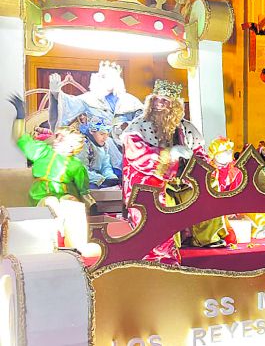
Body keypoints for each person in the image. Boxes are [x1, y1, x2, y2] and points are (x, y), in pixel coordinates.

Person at [122, 79, 206, 265]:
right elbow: (137, 155)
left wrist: (196, 164)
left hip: (182, 181)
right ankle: (160, 254)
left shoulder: (186, 128)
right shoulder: (138, 127)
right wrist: (169, 155)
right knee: (158, 205)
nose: (159, 104)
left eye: (165, 101)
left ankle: (205, 239)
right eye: (156, 100)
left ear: (174, 106)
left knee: (206, 192)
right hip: (151, 183)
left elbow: (201, 155)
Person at [49, 61, 143, 171]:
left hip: (128, 145)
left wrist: (127, 127)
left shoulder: (129, 100)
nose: (106, 80)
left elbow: (142, 121)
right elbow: (68, 104)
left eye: (110, 77)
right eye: (103, 77)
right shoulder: (89, 99)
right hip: (100, 144)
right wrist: (56, 94)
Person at [77, 116, 121, 189]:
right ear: (92, 132)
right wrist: (101, 180)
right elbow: (81, 170)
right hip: (83, 179)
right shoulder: (83, 144)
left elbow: (105, 165)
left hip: (96, 178)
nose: (105, 137)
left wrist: (111, 177)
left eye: (107, 134)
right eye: (102, 134)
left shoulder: (104, 145)